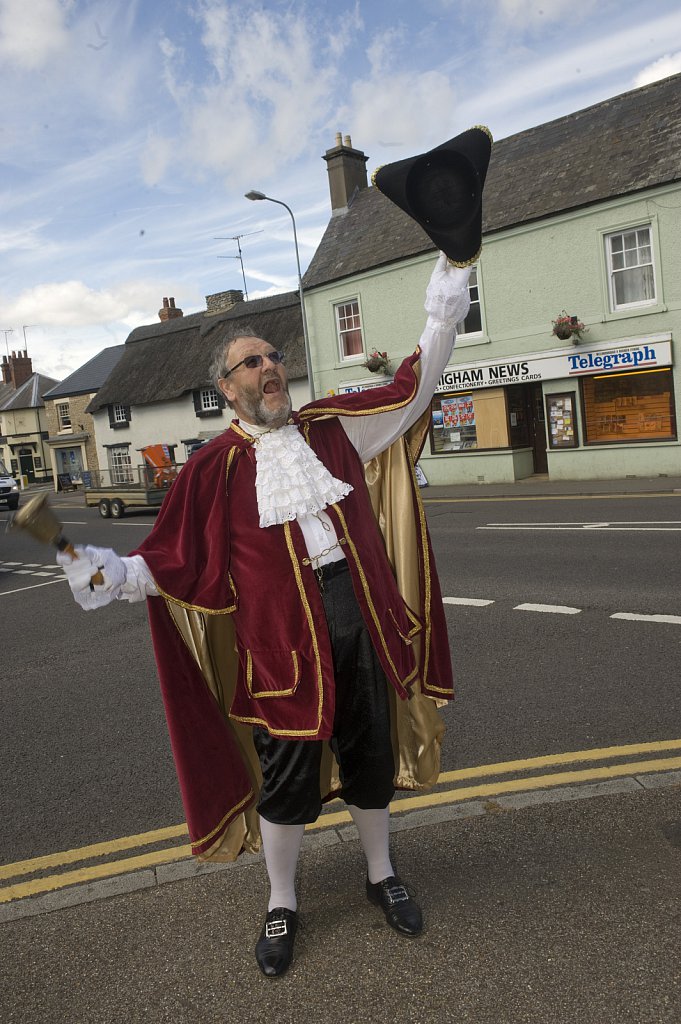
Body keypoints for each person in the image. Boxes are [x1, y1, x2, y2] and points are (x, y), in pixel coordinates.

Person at [58, 253, 471, 977]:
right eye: (251, 362)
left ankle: (381, 875)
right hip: (278, 645)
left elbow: (413, 388)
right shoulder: (210, 468)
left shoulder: (333, 431)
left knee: (370, 758)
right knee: (285, 779)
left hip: (359, 617)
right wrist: (109, 571)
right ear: (226, 388)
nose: (269, 368)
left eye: (274, 357)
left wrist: (449, 283)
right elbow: (170, 562)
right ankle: (282, 902)